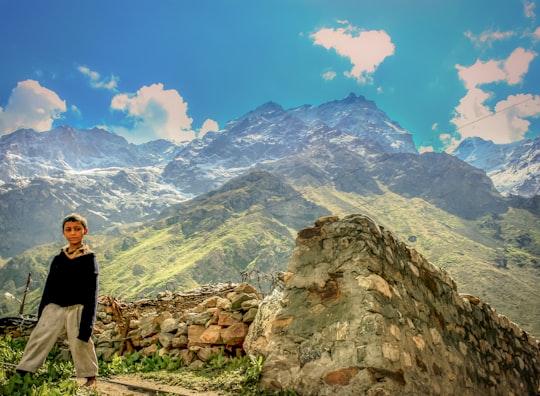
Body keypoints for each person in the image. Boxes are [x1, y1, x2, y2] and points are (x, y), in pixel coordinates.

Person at [16, 213, 99, 387]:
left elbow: (92, 292)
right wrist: (42, 313)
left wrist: (88, 322)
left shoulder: (89, 259)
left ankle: (89, 375)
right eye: (68, 230)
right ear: (63, 233)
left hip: (77, 307)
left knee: (80, 340)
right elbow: (49, 287)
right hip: (54, 307)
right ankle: (25, 370)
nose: (73, 233)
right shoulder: (59, 259)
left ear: (85, 231)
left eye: (77, 229)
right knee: (39, 336)